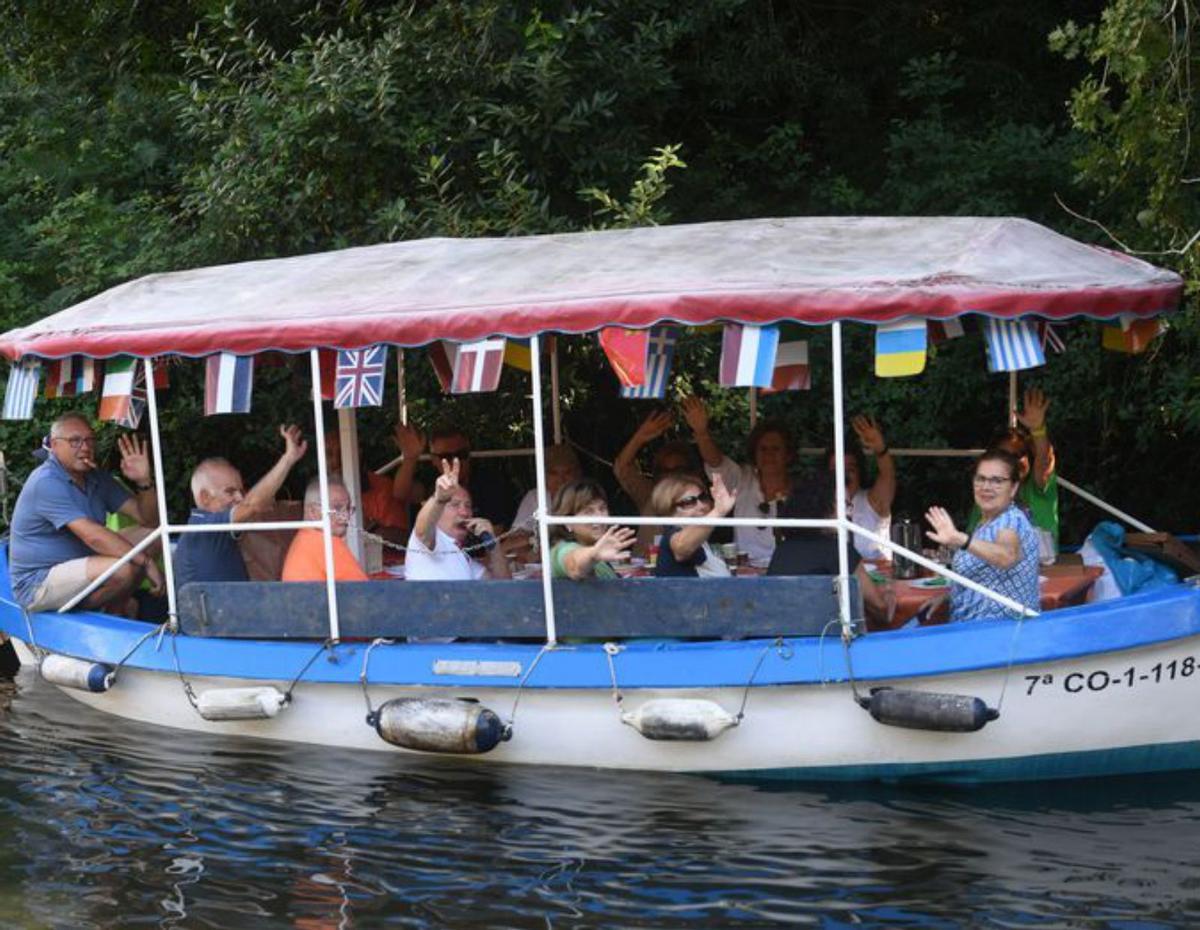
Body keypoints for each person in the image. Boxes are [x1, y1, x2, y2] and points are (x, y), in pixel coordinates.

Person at [8, 412, 164, 613]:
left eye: (90, 440)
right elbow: (92, 536)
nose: (85, 447)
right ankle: (107, 613)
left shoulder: (96, 477)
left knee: (153, 536)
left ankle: (118, 605)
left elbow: (150, 520)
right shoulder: (45, 482)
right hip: (37, 581)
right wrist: (145, 561)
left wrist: (144, 481)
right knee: (124, 569)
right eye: (75, 441)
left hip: (82, 560)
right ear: (55, 446)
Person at [174, 425, 308, 588]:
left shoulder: (209, 528)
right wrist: (287, 459)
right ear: (205, 497)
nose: (239, 497)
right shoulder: (204, 527)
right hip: (214, 612)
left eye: (240, 491)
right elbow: (252, 504)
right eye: (230, 492)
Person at [924, 449, 1040, 622]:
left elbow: (1007, 556)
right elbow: (986, 579)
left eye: (997, 481)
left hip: (1000, 635)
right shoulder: (985, 523)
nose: (986, 487)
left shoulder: (1011, 520)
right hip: (974, 632)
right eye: (981, 479)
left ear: (1014, 488)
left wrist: (959, 538)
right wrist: (949, 597)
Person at [681, 396, 795, 567]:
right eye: (763, 449)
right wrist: (701, 432)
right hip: (743, 573)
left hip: (787, 571)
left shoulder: (801, 492)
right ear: (754, 453)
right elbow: (715, 462)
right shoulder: (742, 478)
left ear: (788, 455)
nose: (769, 454)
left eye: (775, 449)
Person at [968, 387, 1059, 545]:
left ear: (1029, 458)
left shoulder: (1038, 486)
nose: (1013, 461)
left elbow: (1044, 460)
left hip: (1039, 568)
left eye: (1019, 454)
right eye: (1005, 456)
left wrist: (1038, 430)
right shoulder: (985, 493)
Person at [404, 457, 511, 581]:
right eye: (455, 505)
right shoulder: (429, 540)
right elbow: (423, 530)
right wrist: (440, 499)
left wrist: (494, 545)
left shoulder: (462, 556)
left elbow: (503, 588)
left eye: (468, 506)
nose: (465, 512)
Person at [393, 426, 516, 528]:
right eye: (446, 457)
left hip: (478, 554)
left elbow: (496, 532)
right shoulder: (430, 480)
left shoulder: (489, 482)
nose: (455, 461)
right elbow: (401, 494)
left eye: (461, 454)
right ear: (434, 460)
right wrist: (410, 458)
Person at [323, 424, 419, 543]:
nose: (336, 461)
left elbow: (403, 537)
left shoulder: (381, 487)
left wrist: (368, 526)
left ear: (358, 453)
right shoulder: (318, 494)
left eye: (342, 453)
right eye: (329, 454)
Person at [826, 414, 896, 560]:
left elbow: (887, 476)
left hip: (876, 580)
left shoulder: (873, 501)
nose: (843, 475)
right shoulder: (819, 505)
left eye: (850, 469)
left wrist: (880, 450)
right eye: (836, 470)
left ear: (860, 472)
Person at [280, 477, 368, 582]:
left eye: (348, 508)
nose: (346, 516)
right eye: (337, 508)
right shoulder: (327, 543)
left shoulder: (304, 538)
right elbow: (367, 592)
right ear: (312, 511)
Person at [650, 472, 736, 578]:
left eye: (703, 497)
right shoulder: (672, 535)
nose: (702, 506)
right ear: (669, 510)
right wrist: (718, 512)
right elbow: (681, 547)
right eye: (689, 502)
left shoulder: (700, 537)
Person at [547, 479, 636, 580]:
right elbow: (574, 564)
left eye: (602, 509)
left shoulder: (595, 551)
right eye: (588, 512)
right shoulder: (562, 549)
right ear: (568, 522)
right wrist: (593, 554)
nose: (600, 517)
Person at [508, 443, 583, 554]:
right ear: (544, 476)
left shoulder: (586, 496)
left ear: (576, 475)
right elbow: (512, 542)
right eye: (554, 473)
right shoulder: (535, 497)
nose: (561, 479)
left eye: (567, 472)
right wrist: (532, 542)